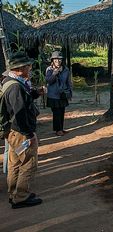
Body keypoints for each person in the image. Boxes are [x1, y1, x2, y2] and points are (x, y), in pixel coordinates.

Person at [4, 51, 42, 208]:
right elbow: (20, 114)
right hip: (20, 132)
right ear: (20, 68)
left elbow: (19, 102)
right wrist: (29, 135)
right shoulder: (16, 88)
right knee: (28, 162)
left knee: (14, 163)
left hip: (12, 131)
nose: (30, 68)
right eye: (28, 66)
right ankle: (21, 197)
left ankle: (14, 193)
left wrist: (34, 94)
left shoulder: (10, 82)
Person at [45, 51, 72, 136]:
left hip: (63, 94)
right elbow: (49, 81)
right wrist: (54, 73)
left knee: (62, 111)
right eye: (56, 60)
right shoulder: (49, 69)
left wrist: (70, 93)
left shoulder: (66, 69)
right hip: (53, 95)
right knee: (56, 113)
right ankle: (57, 130)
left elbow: (68, 82)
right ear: (52, 60)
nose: (58, 61)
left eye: (60, 60)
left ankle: (61, 128)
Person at [1, 70, 9, 175]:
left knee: (8, 149)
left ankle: (6, 170)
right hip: (8, 124)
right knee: (9, 149)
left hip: (6, 123)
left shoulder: (4, 87)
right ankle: (7, 171)